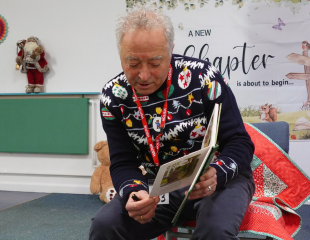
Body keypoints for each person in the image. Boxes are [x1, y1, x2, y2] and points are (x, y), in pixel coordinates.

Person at [90, 5, 255, 240]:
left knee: (215, 232)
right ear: (120, 55)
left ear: (171, 51)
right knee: (104, 226)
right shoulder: (114, 96)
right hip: (159, 183)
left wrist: (218, 172)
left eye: (156, 63)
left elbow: (239, 142)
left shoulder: (203, 78)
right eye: (133, 63)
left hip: (216, 179)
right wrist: (133, 192)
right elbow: (122, 161)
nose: (144, 75)